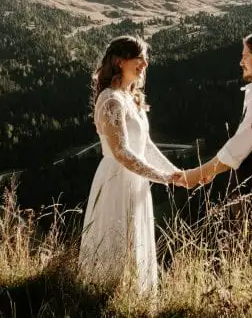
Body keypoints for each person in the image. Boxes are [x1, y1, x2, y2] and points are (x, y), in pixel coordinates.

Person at [77, 35, 180, 294]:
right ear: (120, 61)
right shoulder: (111, 99)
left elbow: (145, 146)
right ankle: (104, 297)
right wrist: (164, 177)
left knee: (135, 241)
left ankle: (133, 299)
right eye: (140, 58)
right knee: (116, 239)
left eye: (146, 59)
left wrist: (176, 173)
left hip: (136, 180)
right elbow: (121, 152)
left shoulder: (131, 99)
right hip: (116, 179)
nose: (145, 64)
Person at [176, 30, 252, 215]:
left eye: (245, 56)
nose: (241, 62)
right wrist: (212, 170)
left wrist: (196, 174)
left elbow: (236, 150)